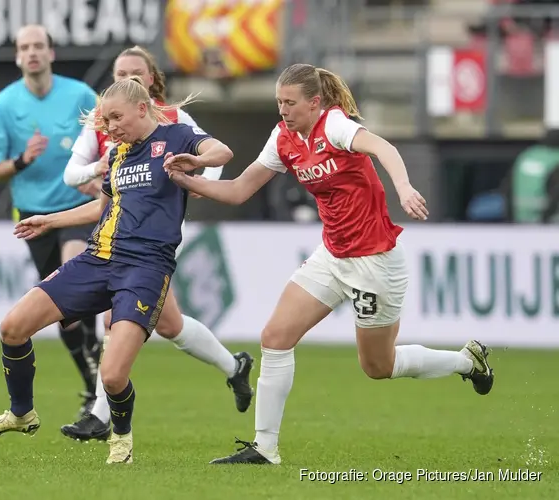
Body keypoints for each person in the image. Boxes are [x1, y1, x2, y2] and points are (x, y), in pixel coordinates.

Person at [163, 63, 496, 465]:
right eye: (278, 102)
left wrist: (404, 187)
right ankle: (265, 448)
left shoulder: (335, 126)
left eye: (290, 102)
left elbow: (384, 149)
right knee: (275, 337)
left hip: (375, 262)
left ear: (315, 102)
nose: (283, 110)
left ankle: (467, 361)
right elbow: (238, 191)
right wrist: (188, 180)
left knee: (378, 366)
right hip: (332, 256)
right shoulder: (283, 137)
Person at [0, 76, 235, 465]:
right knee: (12, 327)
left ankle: (121, 440)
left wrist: (198, 163)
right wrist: (51, 220)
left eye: (115, 118)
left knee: (112, 377)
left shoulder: (177, 136)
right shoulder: (117, 155)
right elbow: (103, 208)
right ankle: (21, 412)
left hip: (146, 268)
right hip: (98, 258)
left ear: (142, 109)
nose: (109, 128)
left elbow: (223, 151)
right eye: (104, 121)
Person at [59, 46, 254, 442]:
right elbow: (71, 174)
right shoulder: (104, 120)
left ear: (151, 80)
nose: (127, 77)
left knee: (116, 315)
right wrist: (103, 170)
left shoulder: (173, 119)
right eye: (120, 72)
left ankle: (99, 415)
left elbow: (213, 154)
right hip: (114, 225)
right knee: (171, 325)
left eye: (136, 72)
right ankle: (235, 368)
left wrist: (200, 182)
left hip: (153, 235)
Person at [0, 24, 103, 419]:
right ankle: (91, 383)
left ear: (51, 53)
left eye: (39, 46)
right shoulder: (4, 104)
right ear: (17, 57)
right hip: (34, 216)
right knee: (62, 310)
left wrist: (100, 175)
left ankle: (99, 368)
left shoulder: (80, 96)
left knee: (72, 270)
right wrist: (22, 160)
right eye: (24, 47)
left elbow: (109, 138)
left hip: (76, 208)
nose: (32, 53)